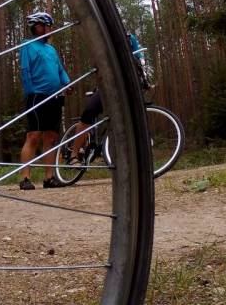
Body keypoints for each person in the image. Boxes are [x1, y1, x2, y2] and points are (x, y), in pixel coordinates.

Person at [68, 32, 148, 166]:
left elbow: (141, 60)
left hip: (127, 86)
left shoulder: (130, 38)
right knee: (89, 112)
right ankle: (74, 155)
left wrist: (144, 81)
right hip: (107, 86)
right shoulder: (103, 39)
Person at [19, 11, 71, 190]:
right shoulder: (28, 45)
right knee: (33, 136)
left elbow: (60, 70)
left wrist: (67, 83)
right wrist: (31, 91)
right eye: (47, 26)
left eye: (50, 26)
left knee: (51, 137)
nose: (50, 29)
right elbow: (25, 70)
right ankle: (25, 178)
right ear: (37, 27)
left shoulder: (51, 49)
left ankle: (49, 177)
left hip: (54, 97)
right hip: (36, 97)